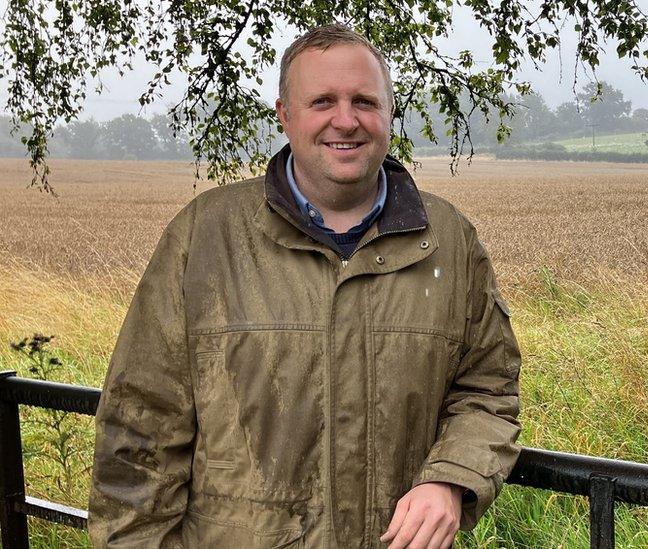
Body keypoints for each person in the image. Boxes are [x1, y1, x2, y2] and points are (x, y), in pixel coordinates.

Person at [88, 24, 521, 549]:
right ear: (285, 116)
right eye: (322, 101)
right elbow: (140, 431)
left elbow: (489, 390)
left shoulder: (451, 242)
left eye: (365, 100)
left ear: (388, 113)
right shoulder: (204, 237)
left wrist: (451, 476)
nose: (346, 120)